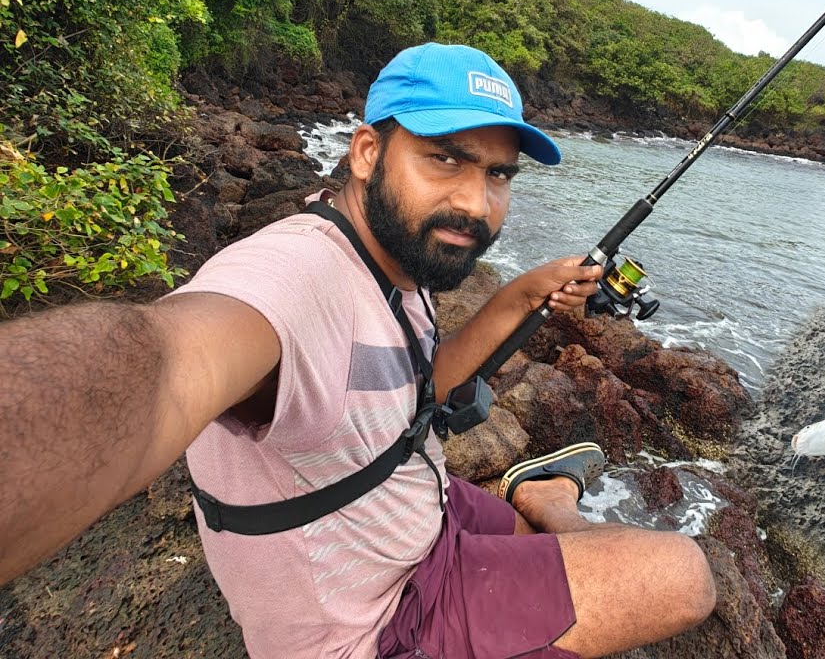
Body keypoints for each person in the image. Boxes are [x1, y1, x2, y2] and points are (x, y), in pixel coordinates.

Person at [0, 43, 716, 658]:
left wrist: (518, 294)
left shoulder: (392, 256)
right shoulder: (296, 274)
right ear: (368, 152)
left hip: (417, 509)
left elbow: (416, 390)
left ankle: (539, 500)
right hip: (380, 622)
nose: (476, 203)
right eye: (446, 159)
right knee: (682, 578)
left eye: (498, 174)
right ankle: (552, 502)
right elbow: (162, 363)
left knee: (531, 532)